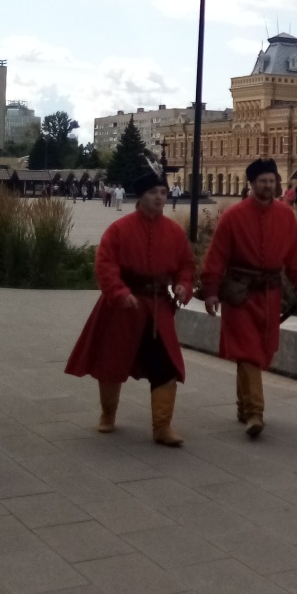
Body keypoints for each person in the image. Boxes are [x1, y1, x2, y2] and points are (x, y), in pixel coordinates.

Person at [64, 161, 194, 446]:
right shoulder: (119, 230)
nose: (160, 197)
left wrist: (184, 285)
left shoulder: (174, 232)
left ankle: (162, 426)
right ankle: (108, 413)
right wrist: (120, 292)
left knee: (166, 364)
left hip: (158, 308)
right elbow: (105, 264)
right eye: (153, 192)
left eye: (163, 191)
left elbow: (185, 264)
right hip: (121, 308)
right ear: (141, 196)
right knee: (112, 363)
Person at [201, 158, 297, 438]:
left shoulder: (286, 216)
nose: (268, 185)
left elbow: (294, 254)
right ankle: (255, 413)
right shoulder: (233, 216)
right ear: (251, 184)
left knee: (258, 351)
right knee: (248, 351)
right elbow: (216, 256)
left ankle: (243, 406)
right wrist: (211, 290)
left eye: (272, 181)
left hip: (270, 294)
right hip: (239, 293)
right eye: (263, 181)